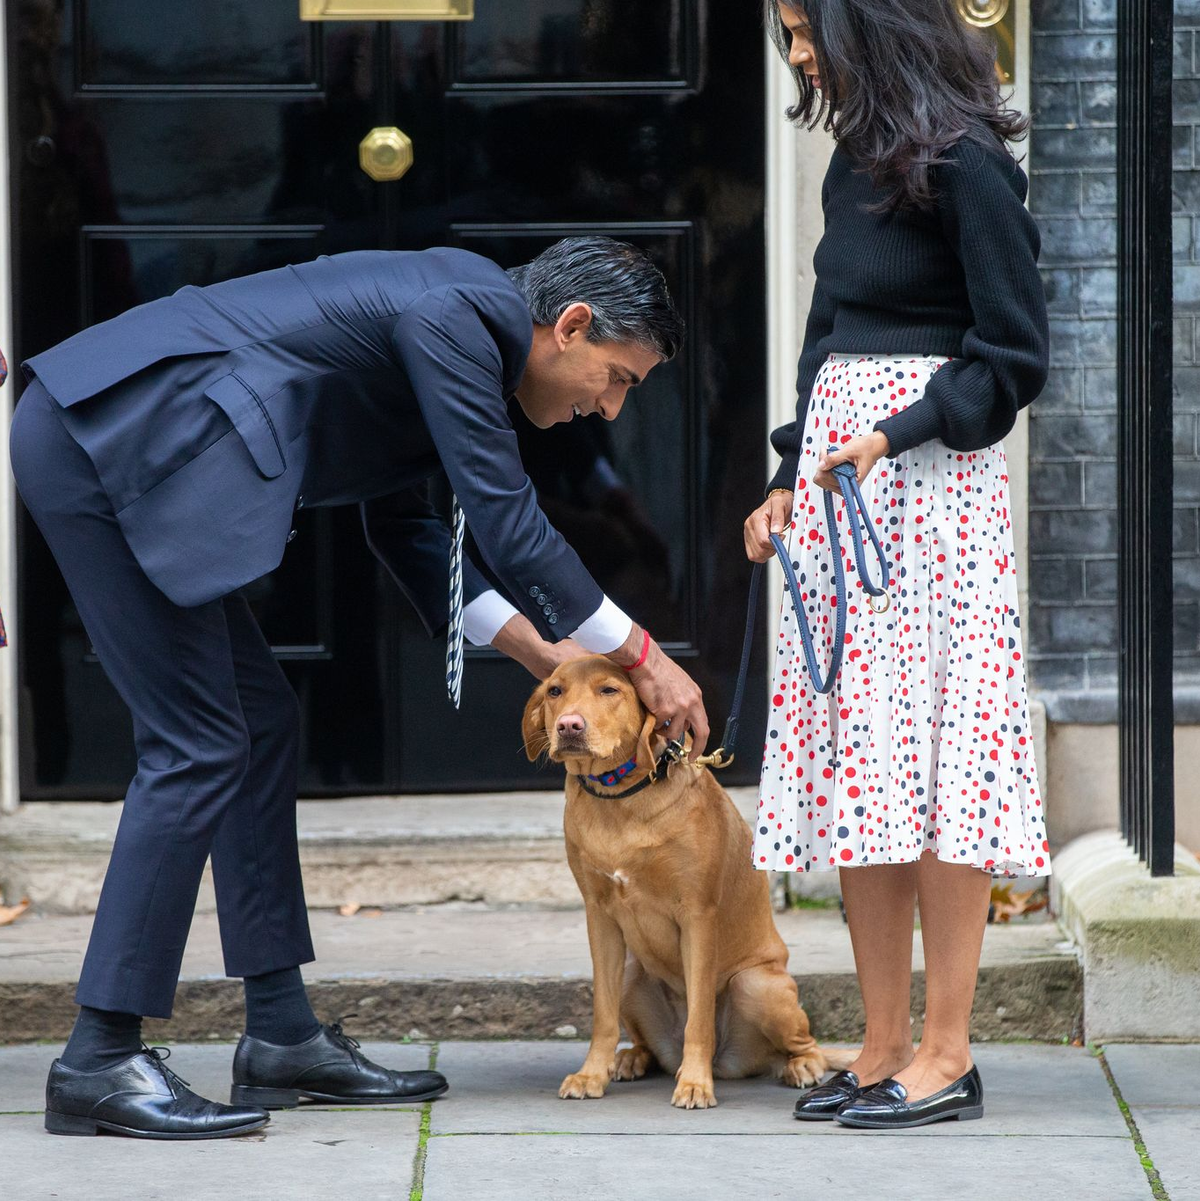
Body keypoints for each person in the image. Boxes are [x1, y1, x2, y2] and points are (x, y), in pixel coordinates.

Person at [9, 235, 709, 1139]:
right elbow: (508, 520)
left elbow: (409, 533)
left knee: (257, 721)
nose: (608, 408)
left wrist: (541, 654)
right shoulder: (461, 313)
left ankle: (281, 1035)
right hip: (109, 442)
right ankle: (99, 1057)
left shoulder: (466, 341)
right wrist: (642, 651)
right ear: (569, 327)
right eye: (616, 377)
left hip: (134, 446)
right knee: (199, 741)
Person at [742, 1, 1050, 1130]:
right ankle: (878, 1045)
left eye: (802, 25)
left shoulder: (968, 163)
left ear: (864, 22)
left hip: (931, 495)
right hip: (842, 491)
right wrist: (788, 474)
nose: (796, 51)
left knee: (938, 760)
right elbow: (829, 331)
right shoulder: (852, 164)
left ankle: (949, 1051)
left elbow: (1015, 350)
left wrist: (900, 429)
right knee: (865, 765)